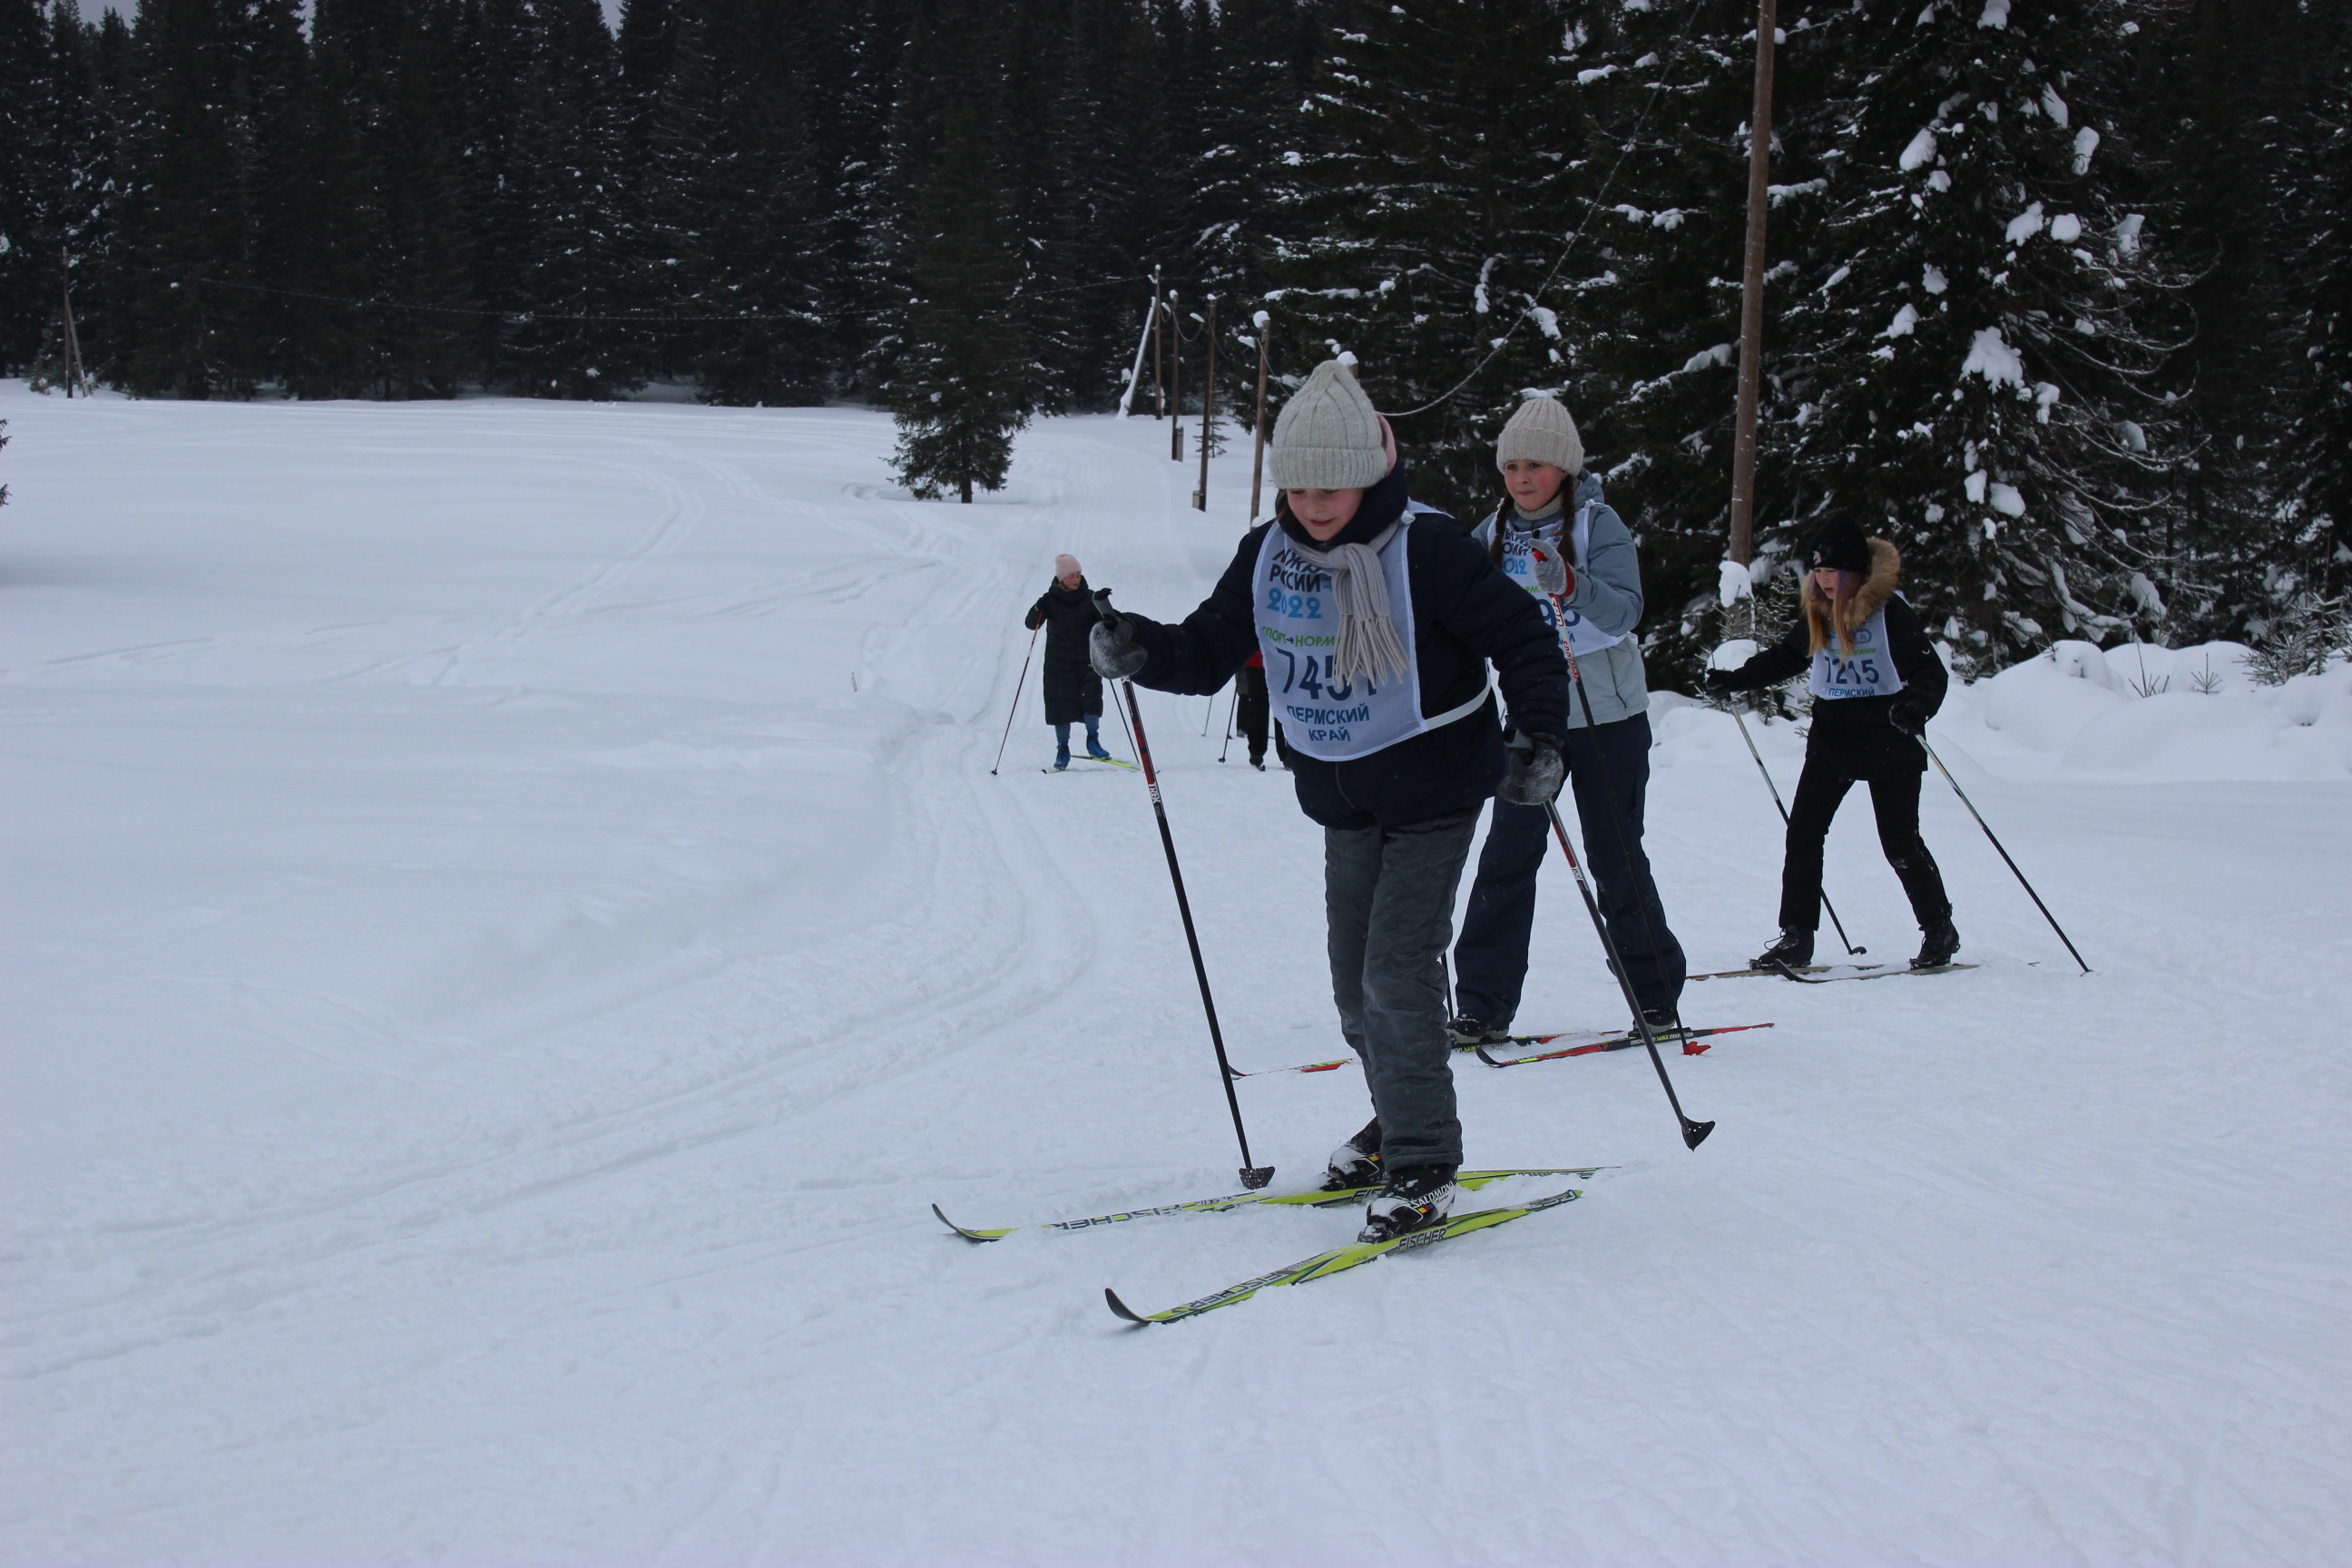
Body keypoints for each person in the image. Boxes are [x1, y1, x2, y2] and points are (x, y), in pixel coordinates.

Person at [1089, 360, 1568, 1241]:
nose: (1314, 505)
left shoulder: (1427, 549)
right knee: (1355, 990)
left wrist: (1540, 735)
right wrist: (1143, 650)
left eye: (1334, 487)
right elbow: (1209, 647)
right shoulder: (1267, 554)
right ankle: (1395, 1124)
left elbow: (1524, 637)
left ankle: (1424, 1158)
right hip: (1344, 799)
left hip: (1437, 788)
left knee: (1397, 971)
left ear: (1373, 474)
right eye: (1298, 486)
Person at [1447, 397, 1688, 1044]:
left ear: (1565, 469)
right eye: (1512, 466)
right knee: (1507, 857)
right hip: (1533, 719)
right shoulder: (1491, 533)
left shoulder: (1597, 525)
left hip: (1607, 717)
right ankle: (1481, 1005)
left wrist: (1573, 583)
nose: (1522, 478)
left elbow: (1624, 613)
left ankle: (1657, 998)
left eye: (1536, 465)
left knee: (1614, 857)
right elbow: (1459, 607)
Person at [1703, 517, 1958, 969]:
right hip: (1832, 737)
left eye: (1832, 571)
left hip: (1889, 737)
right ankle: (1796, 936)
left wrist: (1915, 707)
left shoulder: (1890, 613)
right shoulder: (1818, 611)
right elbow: (1787, 657)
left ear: (1856, 572)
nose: (1822, 579)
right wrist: (1736, 681)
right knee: (1803, 834)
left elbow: (1929, 674)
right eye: (1817, 570)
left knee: (1899, 843)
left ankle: (1939, 929)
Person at [1024, 554, 1112, 769]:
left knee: (1091, 699)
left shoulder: (1090, 597)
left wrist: (1104, 604)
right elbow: (1030, 624)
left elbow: (1109, 623)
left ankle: (1093, 741)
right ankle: (1062, 749)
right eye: (1071, 576)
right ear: (1061, 578)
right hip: (1058, 663)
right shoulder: (1050, 600)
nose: (1076, 579)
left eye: (1078, 575)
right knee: (1060, 705)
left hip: (1087, 660)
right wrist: (1037, 608)